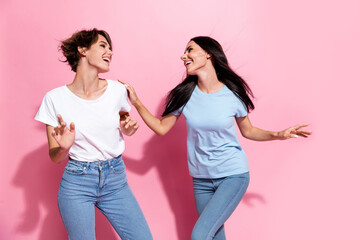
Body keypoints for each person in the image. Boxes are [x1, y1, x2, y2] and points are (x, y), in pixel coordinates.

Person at [121, 36, 311, 240]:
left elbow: (248, 131)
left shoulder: (232, 95)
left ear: (208, 53)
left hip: (233, 175)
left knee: (200, 235)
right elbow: (161, 128)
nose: (183, 56)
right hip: (201, 180)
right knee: (215, 236)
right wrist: (137, 102)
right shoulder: (185, 94)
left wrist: (278, 134)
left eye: (190, 50)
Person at [35, 29, 153, 240]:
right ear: (82, 50)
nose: (110, 51)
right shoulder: (54, 99)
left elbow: (123, 121)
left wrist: (126, 129)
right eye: (102, 45)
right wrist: (64, 147)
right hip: (77, 183)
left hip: (115, 180)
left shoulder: (117, 91)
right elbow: (55, 157)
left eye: (110, 47)